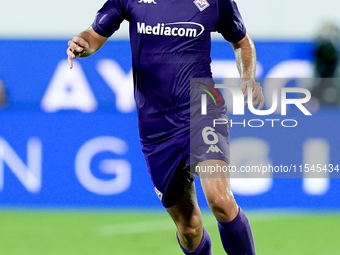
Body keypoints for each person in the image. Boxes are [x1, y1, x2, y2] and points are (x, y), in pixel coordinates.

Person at [67, 0, 265, 254]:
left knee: (221, 200)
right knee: (189, 228)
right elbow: (93, 36)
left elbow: (242, 42)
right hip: (156, 126)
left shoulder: (216, 2)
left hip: (202, 107)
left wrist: (247, 77)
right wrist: (82, 44)